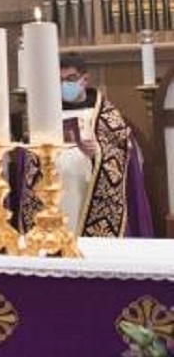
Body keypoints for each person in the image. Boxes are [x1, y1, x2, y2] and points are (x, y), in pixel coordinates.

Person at [17, 54, 153, 237]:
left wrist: (98, 153)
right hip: (53, 196)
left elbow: (124, 150)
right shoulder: (46, 115)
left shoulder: (105, 113)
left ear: (85, 79)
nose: (64, 85)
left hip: (90, 194)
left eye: (70, 79)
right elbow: (28, 158)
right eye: (59, 80)